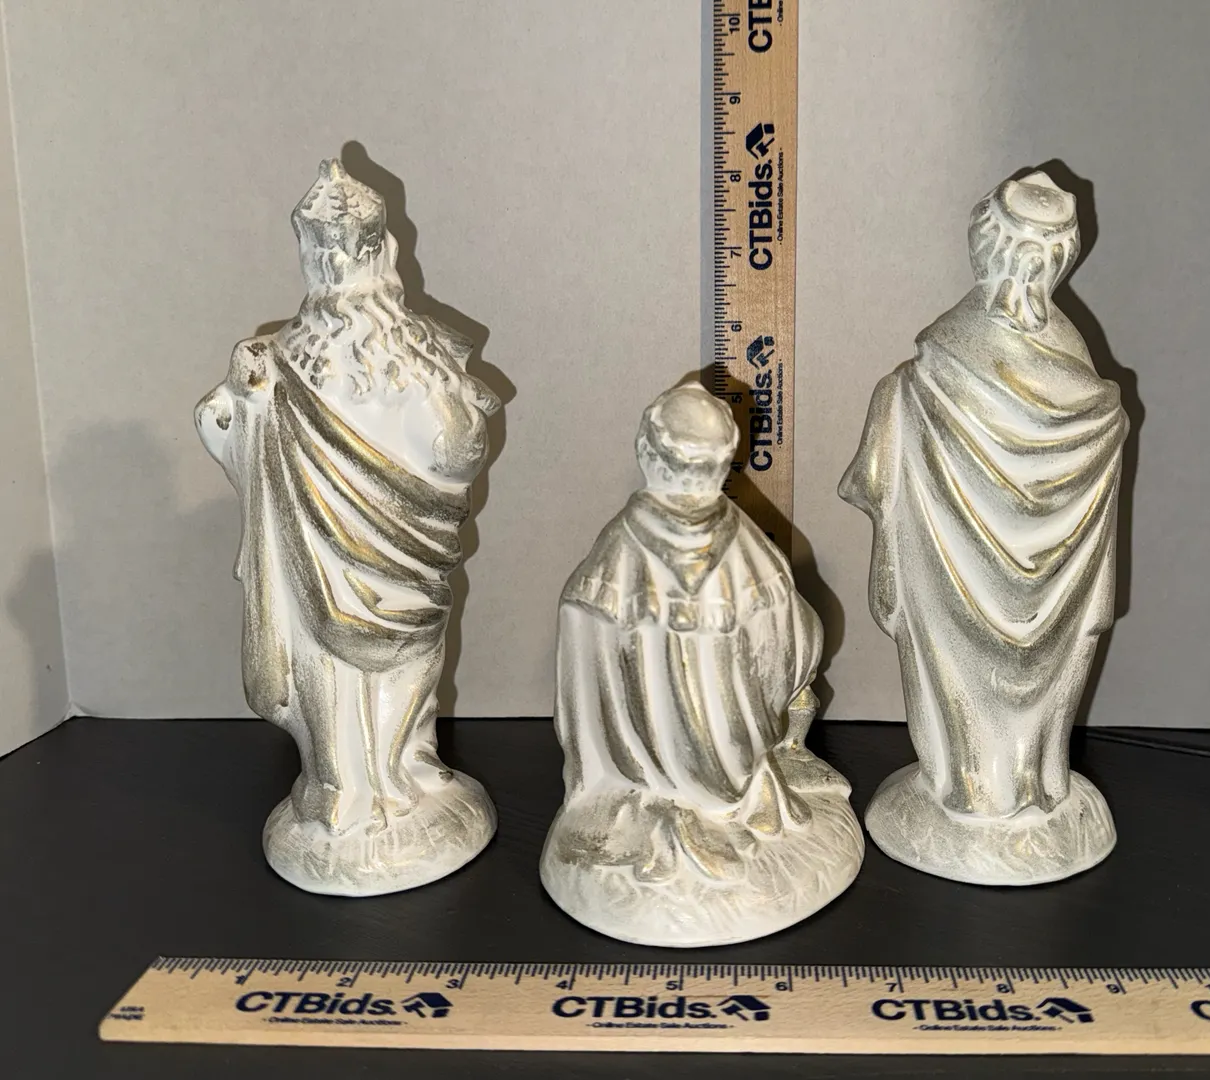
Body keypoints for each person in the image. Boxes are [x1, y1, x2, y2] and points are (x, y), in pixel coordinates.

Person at [195, 159, 498, 895]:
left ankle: (393, 776)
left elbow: (214, 423)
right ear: (382, 252)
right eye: (324, 248)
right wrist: (247, 402)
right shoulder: (299, 356)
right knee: (349, 666)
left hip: (396, 560)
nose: (333, 261)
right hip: (325, 562)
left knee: (386, 663)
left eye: (339, 249)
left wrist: (244, 405)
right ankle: (346, 791)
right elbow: (456, 448)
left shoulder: (294, 356)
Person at [840, 171, 1128, 884]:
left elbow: (876, 480)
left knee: (961, 662)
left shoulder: (925, 377)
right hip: (1041, 578)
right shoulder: (1071, 369)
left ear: (982, 244)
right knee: (1022, 665)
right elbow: (1099, 429)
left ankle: (981, 790)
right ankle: (1022, 787)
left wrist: (896, 408)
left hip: (956, 569)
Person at [542, 383, 861, 945]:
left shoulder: (615, 560)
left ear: (647, 454)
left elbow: (581, 654)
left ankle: (691, 797)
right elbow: (795, 639)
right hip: (730, 751)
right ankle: (705, 798)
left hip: (661, 757)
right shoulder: (751, 556)